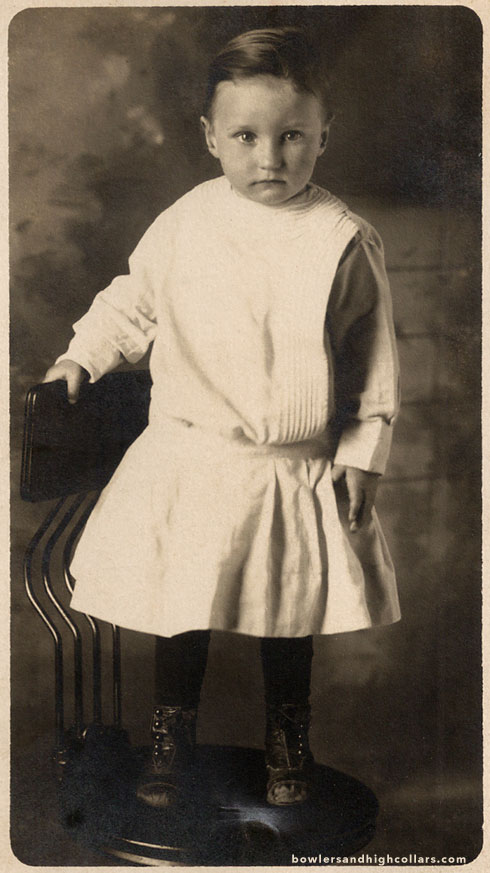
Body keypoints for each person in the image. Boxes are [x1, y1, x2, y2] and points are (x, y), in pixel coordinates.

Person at [43, 27, 400, 809]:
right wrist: (82, 358)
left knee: (288, 613)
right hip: (193, 458)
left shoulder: (343, 241)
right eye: (246, 136)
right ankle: (172, 737)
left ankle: (287, 734)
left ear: (323, 136)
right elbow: (131, 303)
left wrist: (363, 450)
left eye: (292, 137)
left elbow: (373, 360)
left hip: (291, 464)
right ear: (211, 138)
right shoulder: (185, 222)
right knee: (183, 606)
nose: (268, 157)